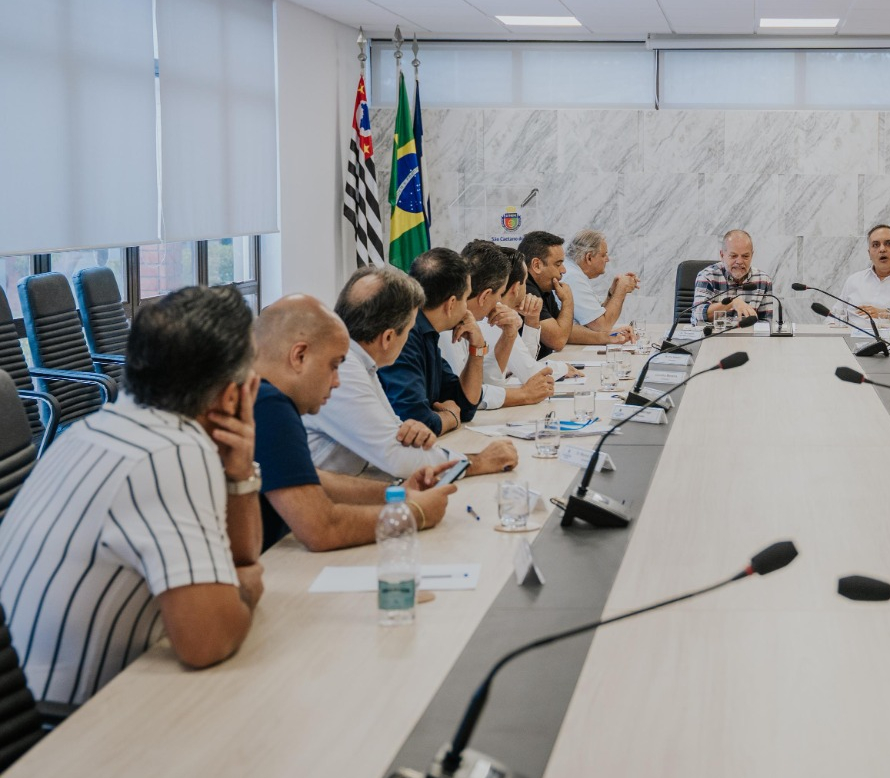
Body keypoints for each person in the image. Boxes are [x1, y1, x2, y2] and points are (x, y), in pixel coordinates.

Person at [0, 286, 264, 702]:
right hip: (60, 730)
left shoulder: (95, 427)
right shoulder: (172, 450)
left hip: (29, 706)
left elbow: (242, 558)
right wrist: (245, 586)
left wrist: (240, 473)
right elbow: (208, 640)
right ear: (233, 396)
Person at [251, 295, 463, 551]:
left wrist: (398, 493)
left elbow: (312, 479)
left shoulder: (266, 396)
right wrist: (415, 512)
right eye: (333, 366)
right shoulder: (268, 403)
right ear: (299, 356)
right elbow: (322, 529)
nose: (337, 381)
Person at [306, 265, 522, 481]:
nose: (411, 337)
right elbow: (396, 458)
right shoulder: (341, 368)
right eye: (409, 331)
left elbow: (396, 433)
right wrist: (480, 461)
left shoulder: (360, 361)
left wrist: (413, 433)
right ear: (388, 338)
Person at [441, 240, 556, 410]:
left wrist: (508, 335)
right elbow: (463, 397)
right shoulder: (446, 325)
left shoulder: (467, 319)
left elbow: (487, 382)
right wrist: (523, 394)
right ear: (485, 296)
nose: (500, 302)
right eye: (500, 294)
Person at [380, 247, 486, 431]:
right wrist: (451, 418)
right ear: (451, 303)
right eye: (466, 297)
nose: (467, 310)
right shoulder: (404, 335)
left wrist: (477, 349)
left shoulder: (426, 333)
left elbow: (465, 406)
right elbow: (415, 421)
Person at [562, 230, 638, 344]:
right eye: (603, 255)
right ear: (589, 258)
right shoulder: (572, 276)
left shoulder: (574, 272)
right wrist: (621, 290)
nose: (607, 259)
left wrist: (612, 293)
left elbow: (595, 318)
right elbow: (602, 327)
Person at [692, 229, 776, 325]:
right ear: (722, 255)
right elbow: (698, 316)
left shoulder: (763, 280)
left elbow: (766, 323)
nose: (739, 261)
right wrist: (732, 303)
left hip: (748, 338)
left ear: (752, 255)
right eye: (733, 256)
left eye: (745, 256)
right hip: (713, 338)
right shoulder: (707, 276)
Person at [519, 230, 575, 359]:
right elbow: (558, 340)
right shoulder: (525, 287)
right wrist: (568, 301)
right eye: (558, 264)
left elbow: (563, 329)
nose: (564, 270)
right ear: (536, 265)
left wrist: (605, 337)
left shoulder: (544, 286)